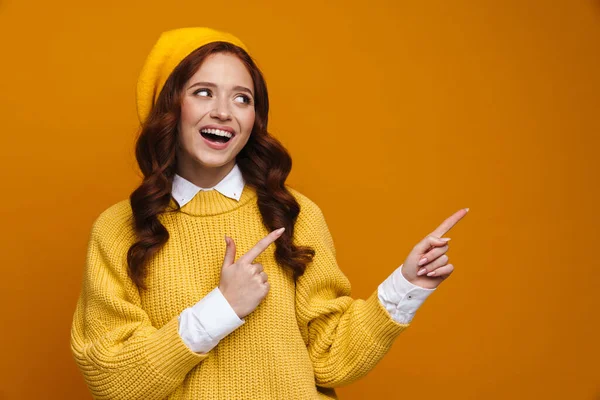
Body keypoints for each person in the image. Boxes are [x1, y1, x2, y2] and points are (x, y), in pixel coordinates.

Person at [70, 27, 468, 400]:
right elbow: (113, 376)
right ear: (167, 106)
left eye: (242, 98)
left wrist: (407, 284)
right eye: (203, 92)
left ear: (253, 119)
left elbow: (330, 357)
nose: (224, 112)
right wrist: (221, 308)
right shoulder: (120, 229)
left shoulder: (292, 213)